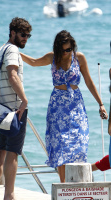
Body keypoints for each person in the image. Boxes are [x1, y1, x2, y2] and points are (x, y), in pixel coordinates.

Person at [20, 30, 108, 183]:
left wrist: (101, 103)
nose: (66, 53)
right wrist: (14, 51)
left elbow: (88, 81)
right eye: (63, 50)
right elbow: (33, 62)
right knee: (60, 144)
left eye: (69, 49)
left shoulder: (79, 58)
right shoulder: (52, 57)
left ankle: (76, 185)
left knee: (79, 142)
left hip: (76, 105)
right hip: (57, 106)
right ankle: (63, 186)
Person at [0, 17, 32, 200]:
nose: (25, 39)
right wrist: (24, 100)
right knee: (13, 152)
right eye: (23, 35)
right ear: (13, 32)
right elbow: (13, 75)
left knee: (0, 150)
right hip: (13, 110)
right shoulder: (12, 50)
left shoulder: (1, 49)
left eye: (28, 35)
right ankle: (9, 195)